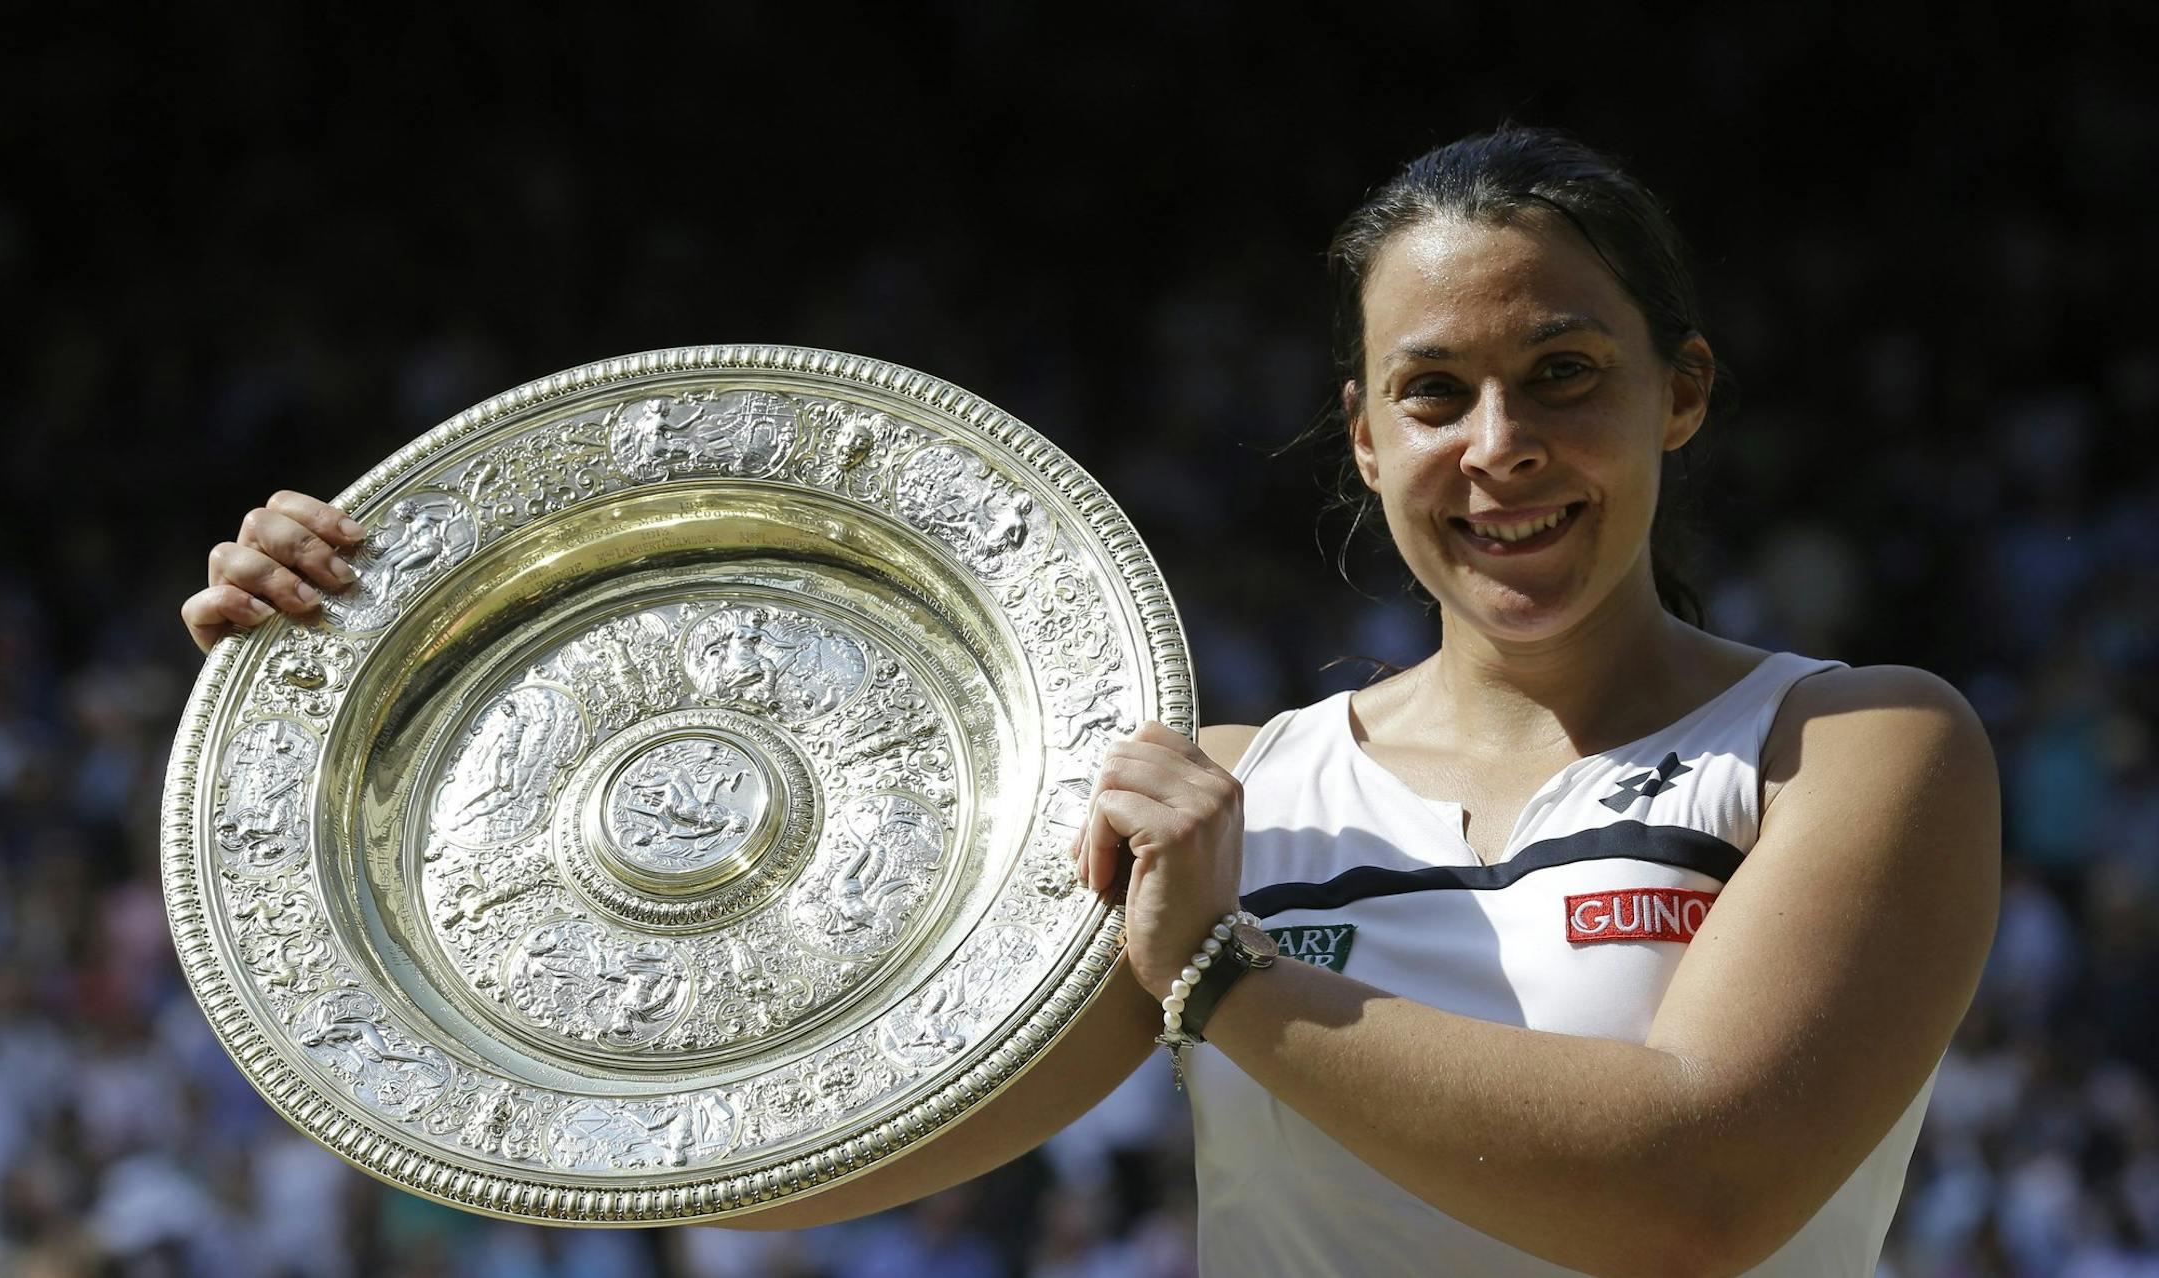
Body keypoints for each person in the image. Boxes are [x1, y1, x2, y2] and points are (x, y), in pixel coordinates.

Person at [181, 125, 2000, 1277]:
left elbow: (1696, 1203)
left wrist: (1220, 979)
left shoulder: (1854, 742)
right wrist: (349, 685)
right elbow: (760, 1146)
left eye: (1566, 373)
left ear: (1682, 393)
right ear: (1367, 441)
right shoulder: (1222, 797)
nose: (1500, 446)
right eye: (1434, 392)